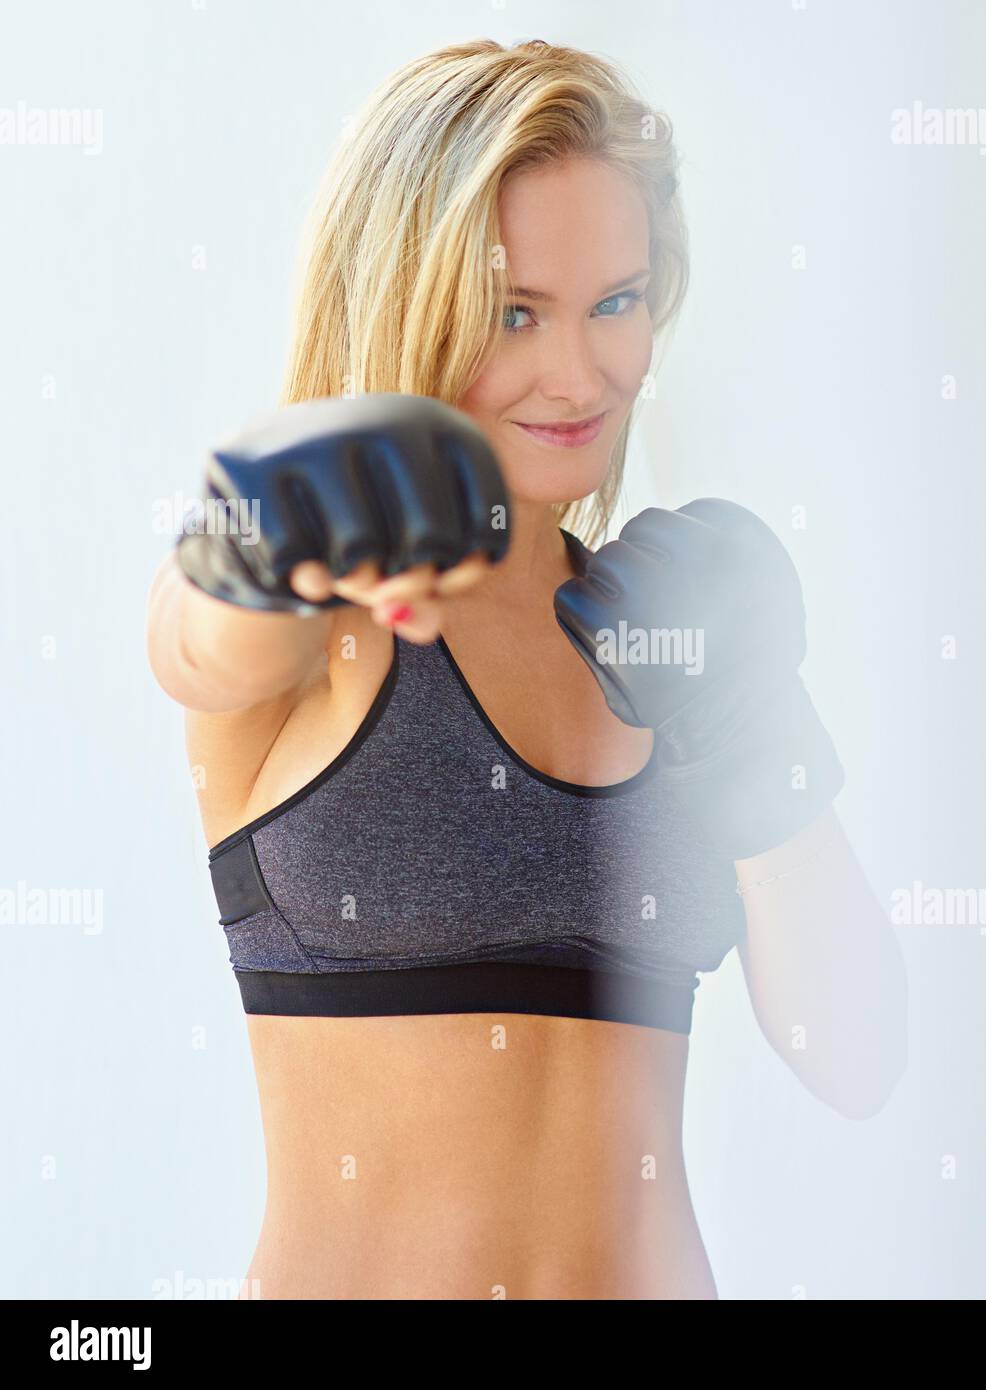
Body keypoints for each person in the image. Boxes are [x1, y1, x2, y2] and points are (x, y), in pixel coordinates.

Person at [146, 38, 907, 1300]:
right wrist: (282, 513)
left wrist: (754, 724)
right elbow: (192, 631)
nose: (582, 372)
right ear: (410, 293)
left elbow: (859, 1055)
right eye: (515, 312)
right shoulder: (321, 618)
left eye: (617, 300)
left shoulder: (669, 635)